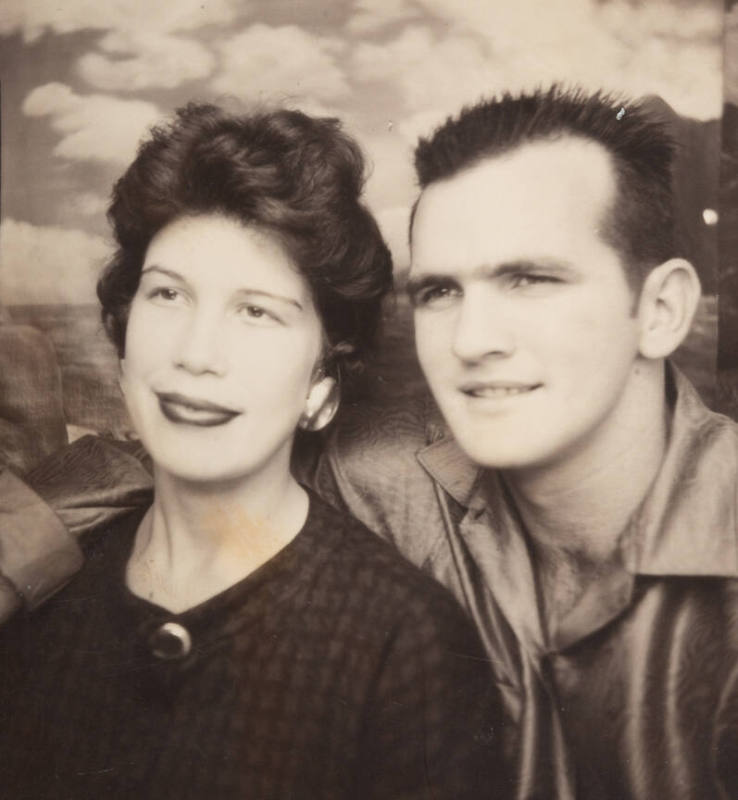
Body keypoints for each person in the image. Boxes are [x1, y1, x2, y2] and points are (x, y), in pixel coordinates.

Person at [4, 86, 736, 798]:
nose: (473, 341)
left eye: (531, 279)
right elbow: (200, 439)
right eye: (440, 291)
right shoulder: (381, 473)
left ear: (662, 309)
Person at [0, 103, 506, 799]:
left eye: (257, 311)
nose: (196, 353)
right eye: (168, 294)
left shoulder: (405, 642)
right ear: (123, 332)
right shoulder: (41, 585)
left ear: (322, 383)